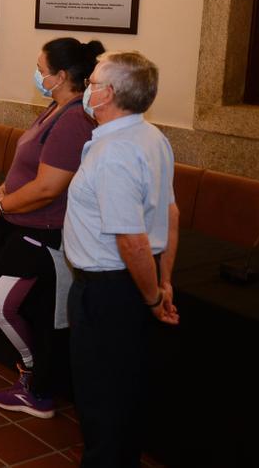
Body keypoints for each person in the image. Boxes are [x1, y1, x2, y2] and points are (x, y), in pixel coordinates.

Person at [63, 50, 178, 466]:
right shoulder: (152, 137)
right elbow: (169, 214)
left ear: (108, 94)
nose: (86, 89)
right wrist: (163, 283)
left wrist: (151, 296)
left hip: (109, 291)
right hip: (134, 286)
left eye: (92, 83)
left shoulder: (114, 153)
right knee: (124, 394)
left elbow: (131, 240)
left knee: (101, 401)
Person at [0, 38, 103, 419]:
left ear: (62, 76)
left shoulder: (73, 120)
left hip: (43, 231)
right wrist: (6, 189)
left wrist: (5, 203)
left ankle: (36, 378)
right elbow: (30, 164)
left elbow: (50, 186)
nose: (37, 75)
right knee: (20, 309)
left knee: (2, 307)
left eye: (42, 69)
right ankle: (35, 377)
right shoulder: (56, 107)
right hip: (23, 224)